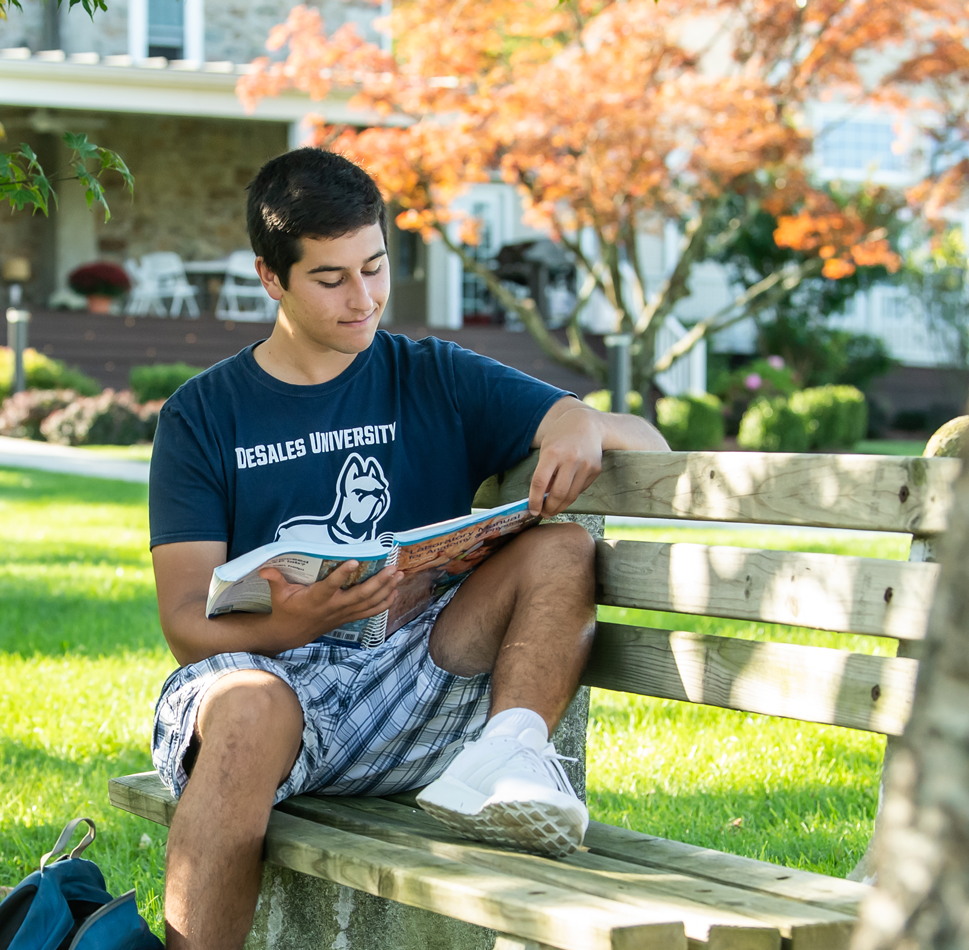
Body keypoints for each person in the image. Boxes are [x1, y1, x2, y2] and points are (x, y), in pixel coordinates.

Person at [146, 148, 668, 950]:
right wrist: (297, 621)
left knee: (560, 548)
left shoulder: (432, 375)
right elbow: (185, 625)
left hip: (415, 682)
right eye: (332, 279)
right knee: (248, 710)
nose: (364, 299)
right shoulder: (202, 415)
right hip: (271, 687)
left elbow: (649, 442)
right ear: (271, 277)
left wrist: (582, 421)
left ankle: (509, 757)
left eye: (376, 267)